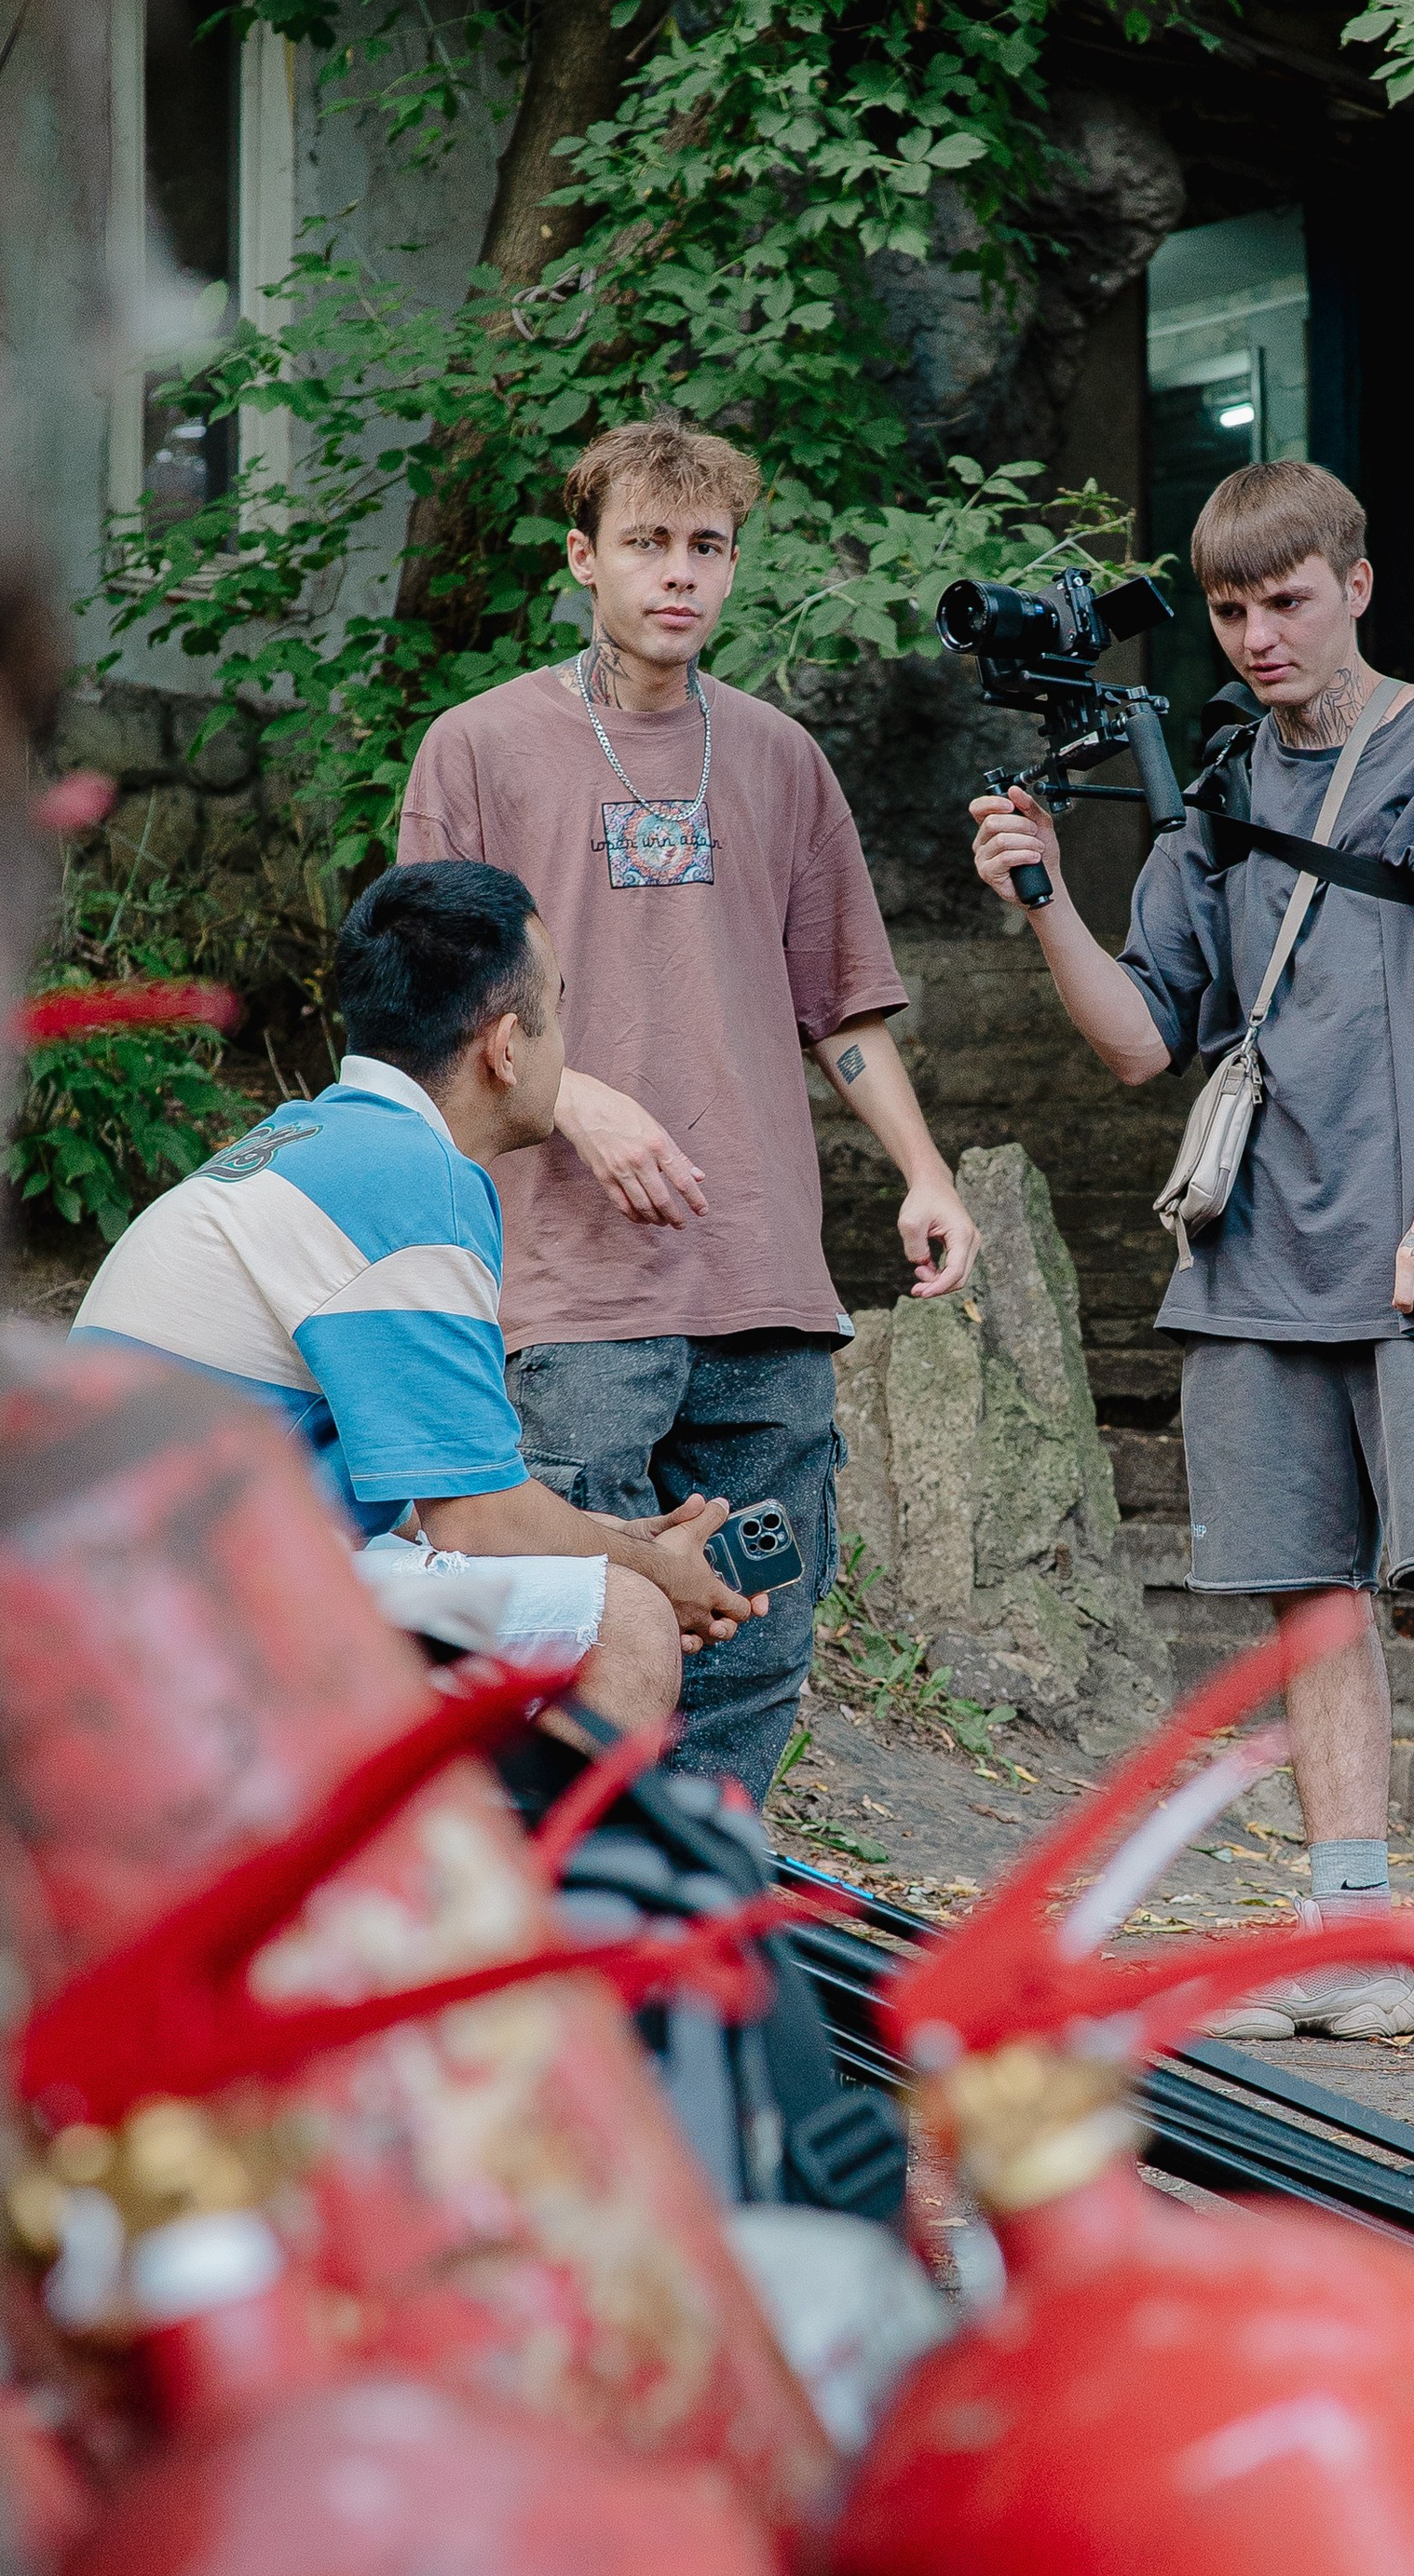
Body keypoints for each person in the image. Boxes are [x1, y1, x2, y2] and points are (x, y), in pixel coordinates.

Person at [970, 459, 1414, 2062]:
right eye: (1230, 608)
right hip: (1261, 1243)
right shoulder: (1216, 781)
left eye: (1288, 598)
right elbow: (1146, 1039)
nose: (1262, 633)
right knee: (1308, 1608)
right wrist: (1043, 901)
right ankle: (1352, 1939)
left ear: (1357, 582)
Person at [397, 414, 979, 1805]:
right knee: (579, 1629)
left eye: (707, 547)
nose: (681, 576)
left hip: (762, 1277)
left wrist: (924, 1174)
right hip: (571, 1285)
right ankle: (560, 1937)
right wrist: (574, 1093)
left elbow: (841, 1007)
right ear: (583, 561)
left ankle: (698, 1938)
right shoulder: (480, 748)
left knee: (757, 1636)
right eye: (648, 545)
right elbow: (426, 993)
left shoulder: (780, 758)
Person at [69, 859, 766, 1735]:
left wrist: (629, 1541)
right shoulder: (417, 1181)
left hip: (119, 1566)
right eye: (558, 1012)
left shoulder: (317, 1137)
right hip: (171, 1594)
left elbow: (432, 1516)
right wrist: (657, 1575)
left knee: (593, 1583)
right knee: (624, 1621)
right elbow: (474, 1522)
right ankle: (514, 1875)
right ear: (508, 1046)